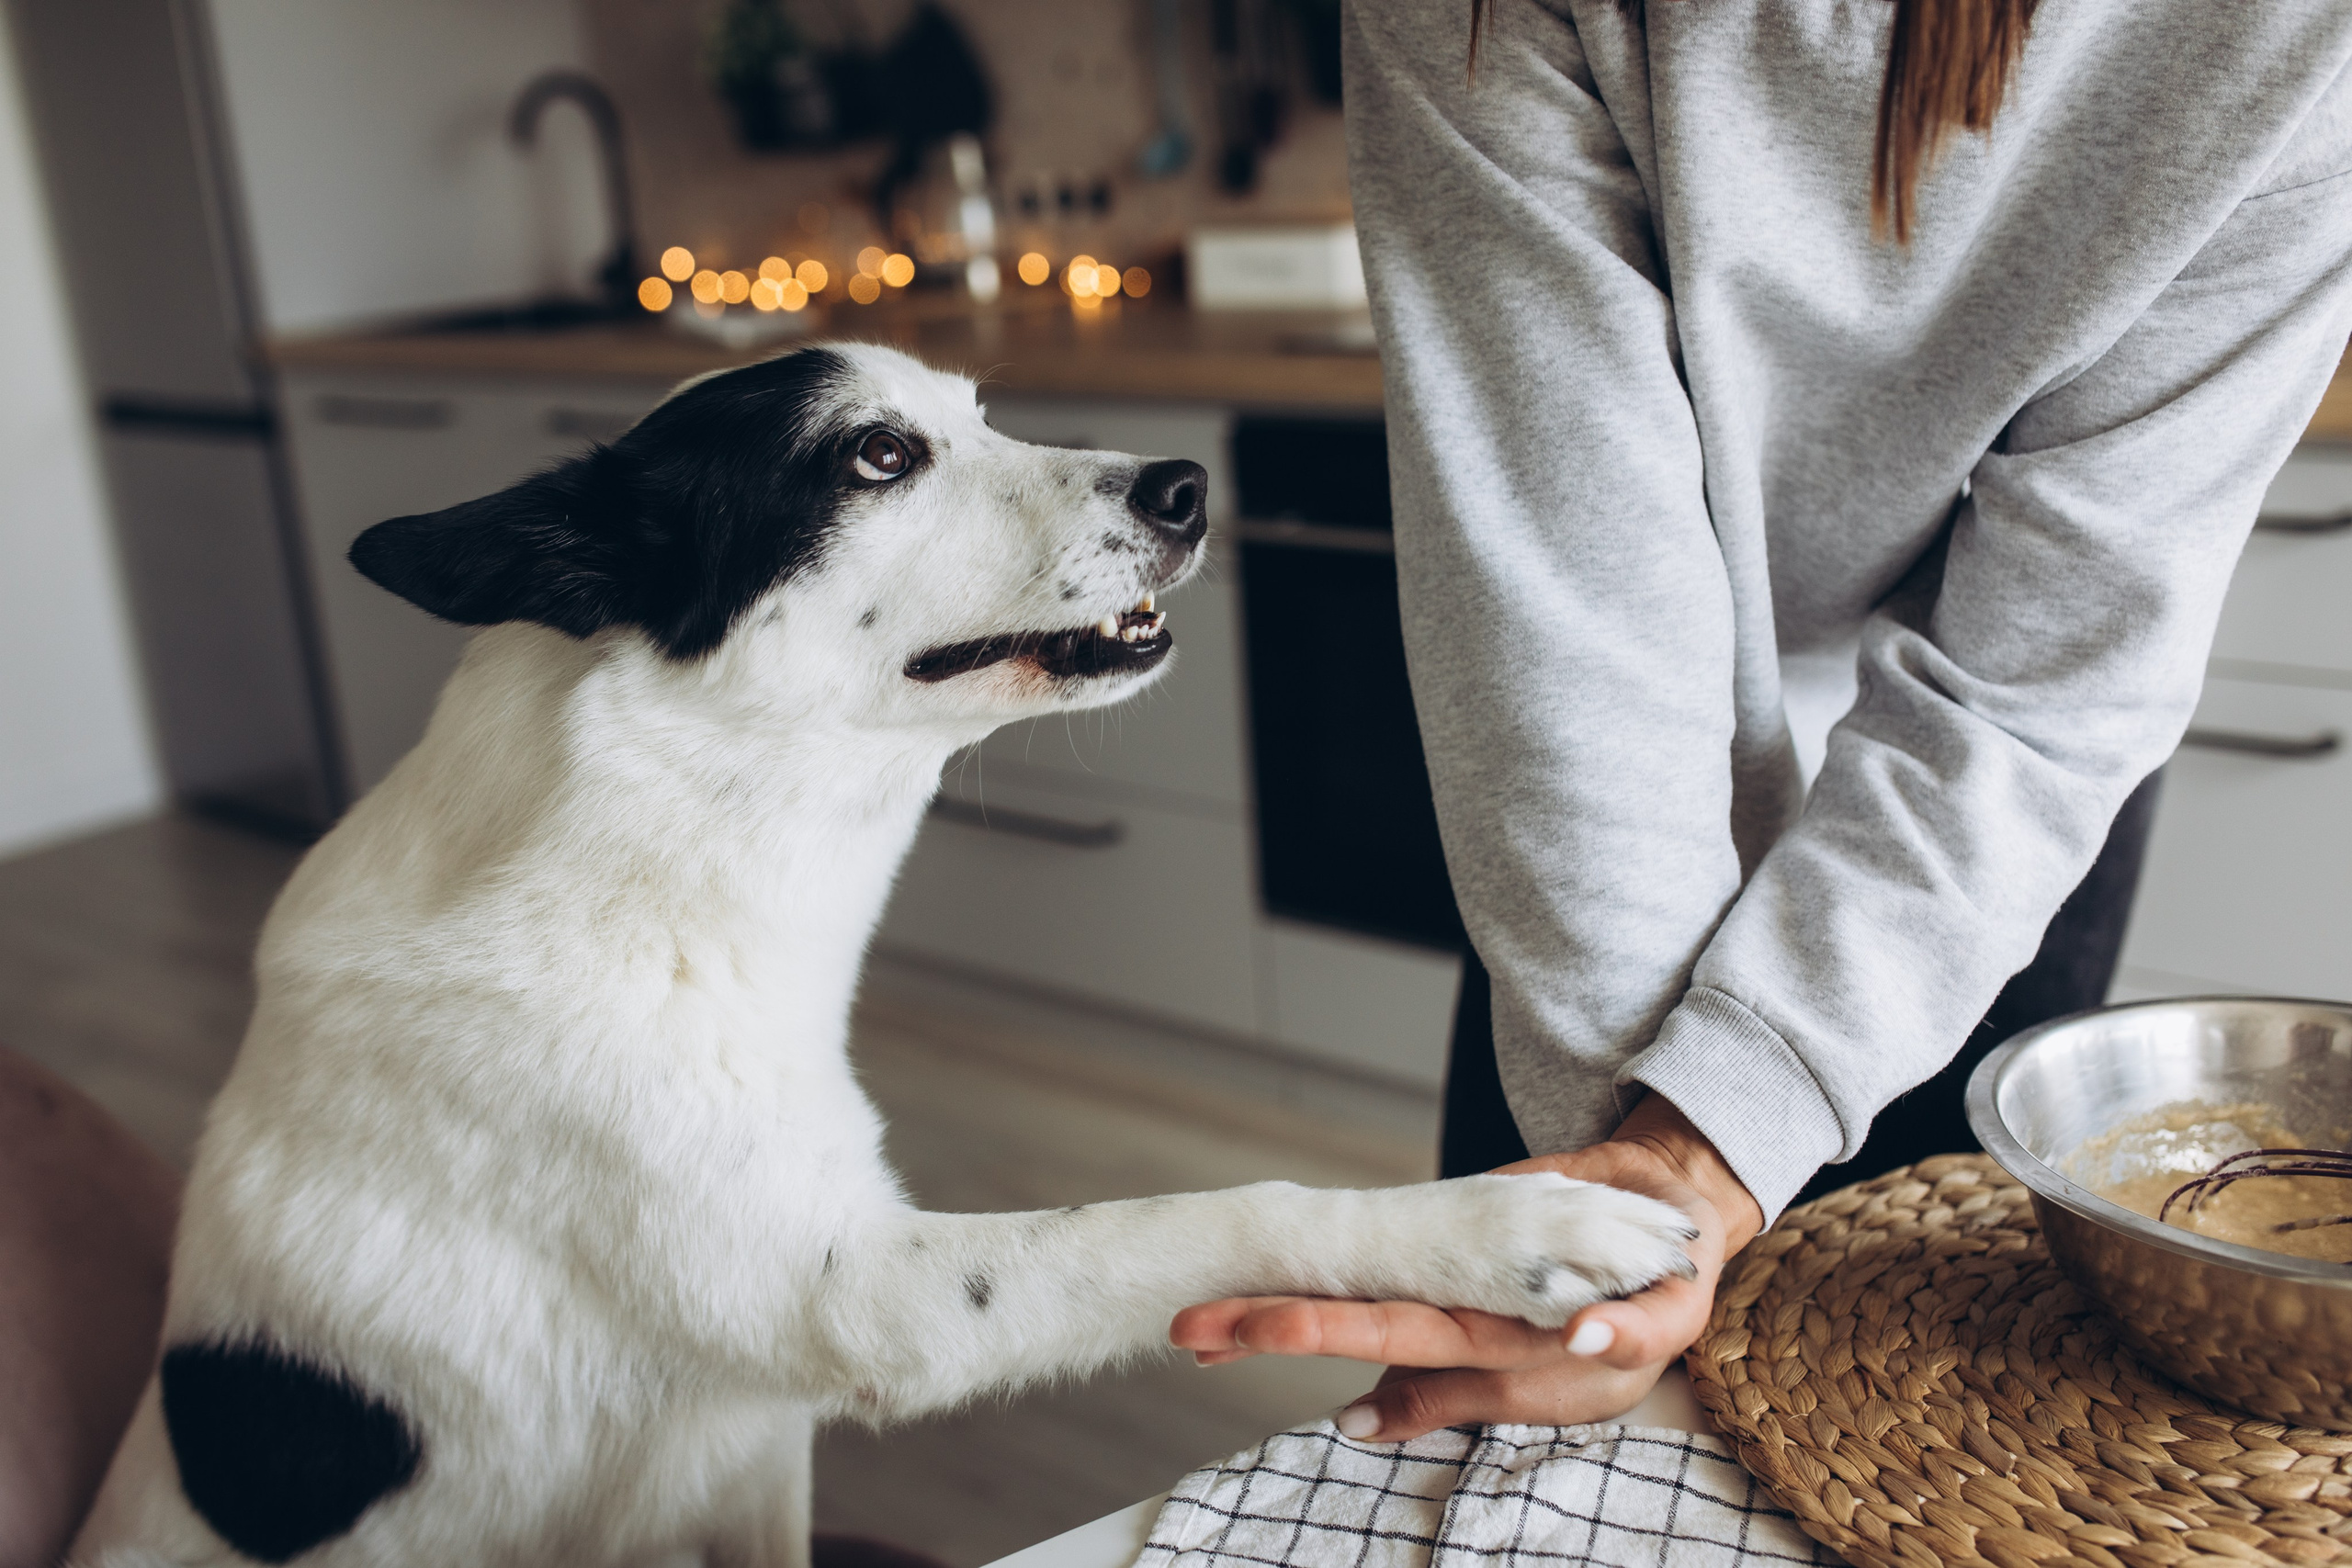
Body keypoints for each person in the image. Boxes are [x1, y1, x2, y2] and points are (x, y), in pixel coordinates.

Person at [1171, 0, 2352, 1438]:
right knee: (1572, 1390)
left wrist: (1734, 1120)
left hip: (1990, 764)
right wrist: (1637, 1218)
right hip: (1630, 727)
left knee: (1969, 1417)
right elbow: (1575, 600)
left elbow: (2039, 681)